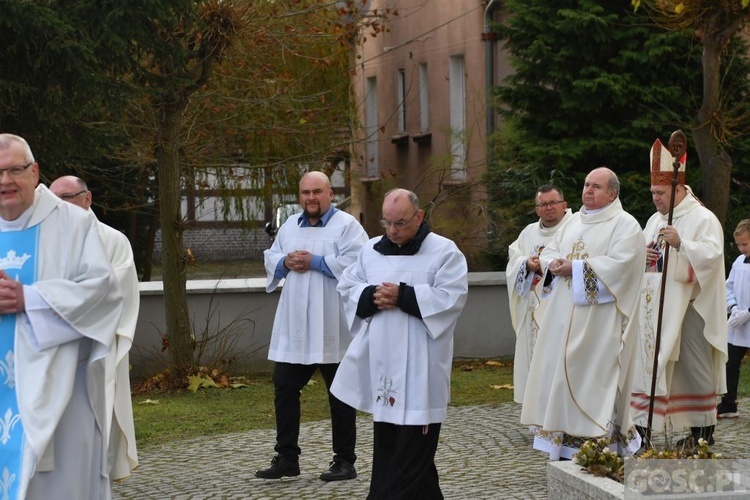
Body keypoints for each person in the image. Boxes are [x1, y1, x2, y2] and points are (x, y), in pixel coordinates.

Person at [0, 134, 122, 498]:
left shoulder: (72, 224)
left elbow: (103, 292)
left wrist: (30, 298)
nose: (5, 181)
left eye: (15, 170)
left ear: (35, 172)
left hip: (60, 388)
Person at [331, 188, 468, 499]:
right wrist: (369, 296)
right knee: (392, 451)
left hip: (422, 368)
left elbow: (452, 297)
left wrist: (404, 295)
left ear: (419, 217)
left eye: (400, 223)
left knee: (411, 458)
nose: (392, 231)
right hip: (384, 368)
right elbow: (348, 286)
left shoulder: (444, 252)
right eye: (387, 222)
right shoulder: (370, 251)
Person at [520, 167, 645, 461]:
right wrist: (553, 263)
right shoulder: (573, 221)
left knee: (591, 379)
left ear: (612, 193)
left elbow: (623, 268)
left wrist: (574, 269)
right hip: (563, 317)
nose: (588, 190)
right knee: (560, 378)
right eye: (586, 184)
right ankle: (563, 442)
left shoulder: (625, 225)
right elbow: (551, 250)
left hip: (599, 323)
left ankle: (597, 441)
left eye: (596, 187)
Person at [257, 171, 368, 481]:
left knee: (341, 394)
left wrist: (316, 262)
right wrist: (284, 263)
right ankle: (287, 458)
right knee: (284, 388)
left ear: (330, 194)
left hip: (334, 327)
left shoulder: (347, 227)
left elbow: (360, 263)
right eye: (305, 192)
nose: (311, 198)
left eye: (317, 191)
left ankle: (344, 460)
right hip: (296, 328)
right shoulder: (290, 225)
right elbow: (271, 256)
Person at [630, 133, 727, 447]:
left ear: (677, 187)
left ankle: (701, 434)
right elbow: (651, 261)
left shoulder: (702, 218)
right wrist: (643, 257)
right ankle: (643, 429)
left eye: (660, 192)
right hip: (655, 308)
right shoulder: (654, 220)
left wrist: (683, 244)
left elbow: (712, 258)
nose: (655, 199)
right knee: (650, 367)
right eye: (652, 193)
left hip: (689, 308)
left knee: (691, 369)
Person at [49, 175, 140, 480]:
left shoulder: (112, 240)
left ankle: (94, 476)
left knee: (95, 414)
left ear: (87, 199)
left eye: (65, 198)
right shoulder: (43, 240)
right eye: (51, 200)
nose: (57, 206)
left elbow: (117, 291)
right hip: (51, 344)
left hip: (96, 345)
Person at [506, 185, 572, 403]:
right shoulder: (528, 233)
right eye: (543, 204)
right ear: (537, 209)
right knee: (533, 360)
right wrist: (526, 263)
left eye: (553, 203)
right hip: (532, 309)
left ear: (564, 205)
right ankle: (535, 416)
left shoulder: (574, 228)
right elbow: (514, 259)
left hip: (561, 309)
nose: (549, 208)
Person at [720, 219, 750, 419]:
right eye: (738, 244)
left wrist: (748, 312)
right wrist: (734, 308)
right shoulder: (739, 262)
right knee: (731, 363)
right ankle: (728, 403)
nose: (741, 248)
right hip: (738, 323)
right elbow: (728, 286)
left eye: (745, 244)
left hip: (746, 316)